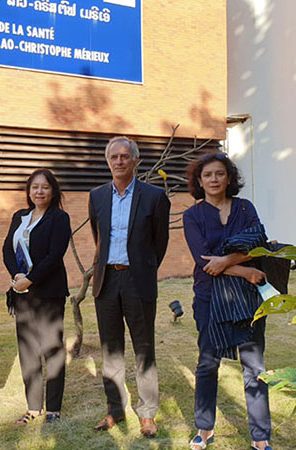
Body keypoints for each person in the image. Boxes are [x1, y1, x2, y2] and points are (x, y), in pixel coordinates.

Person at [182, 152, 273, 450]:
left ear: (229, 178)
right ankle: (204, 430)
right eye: (207, 175)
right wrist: (244, 269)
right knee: (208, 364)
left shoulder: (245, 208)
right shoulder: (192, 215)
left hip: (248, 299)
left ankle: (260, 438)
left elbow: (259, 244)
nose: (214, 179)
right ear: (199, 181)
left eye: (220, 173)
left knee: (254, 368)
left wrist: (230, 262)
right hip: (209, 297)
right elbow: (203, 260)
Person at [88, 136, 170, 438]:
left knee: (143, 348)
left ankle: (147, 413)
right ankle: (115, 410)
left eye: (125, 156)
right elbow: (100, 239)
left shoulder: (154, 197)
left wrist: (145, 269)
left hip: (138, 280)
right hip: (107, 281)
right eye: (114, 157)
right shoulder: (96, 196)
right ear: (108, 161)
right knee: (111, 349)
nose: (119, 161)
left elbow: (159, 243)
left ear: (136, 161)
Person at [2, 169, 72, 425]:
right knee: (28, 350)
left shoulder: (60, 218)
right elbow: (7, 249)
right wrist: (17, 277)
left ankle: (53, 408)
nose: (39, 191)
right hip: (22, 294)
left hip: (49, 292)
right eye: (35, 187)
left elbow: (55, 255)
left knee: (52, 349)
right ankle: (33, 407)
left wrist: (30, 279)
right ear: (28, 191)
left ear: (53, 190)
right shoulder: (19, 217)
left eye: (45, 187)